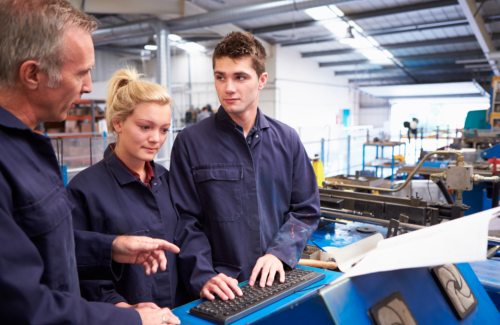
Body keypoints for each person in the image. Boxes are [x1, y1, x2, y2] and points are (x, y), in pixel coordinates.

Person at [0, 1, 178, 324]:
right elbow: (24, 306)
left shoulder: (30, 147)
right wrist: (131, 319)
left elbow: (45, 246)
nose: (88, 87)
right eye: (81, 73)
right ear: (32, 74)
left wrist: (111, 247)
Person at [170, 31, 320, 302]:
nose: (228, 87)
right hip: (221, 289)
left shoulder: (287, 140)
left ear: (261, 80)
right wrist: (203, 275)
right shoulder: (190, 143)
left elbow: (306, 210)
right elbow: (185, 222)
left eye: (240, 77)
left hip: (276, 282)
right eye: (220, 77)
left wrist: (280, 253)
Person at [67, 68, 186, 309]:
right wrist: (123, 309)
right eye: (145, 127)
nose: (156, 139)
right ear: (118, 123)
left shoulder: (168, 180)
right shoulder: (83, 190)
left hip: (177, 313)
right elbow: (79, 267)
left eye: (164, 129)